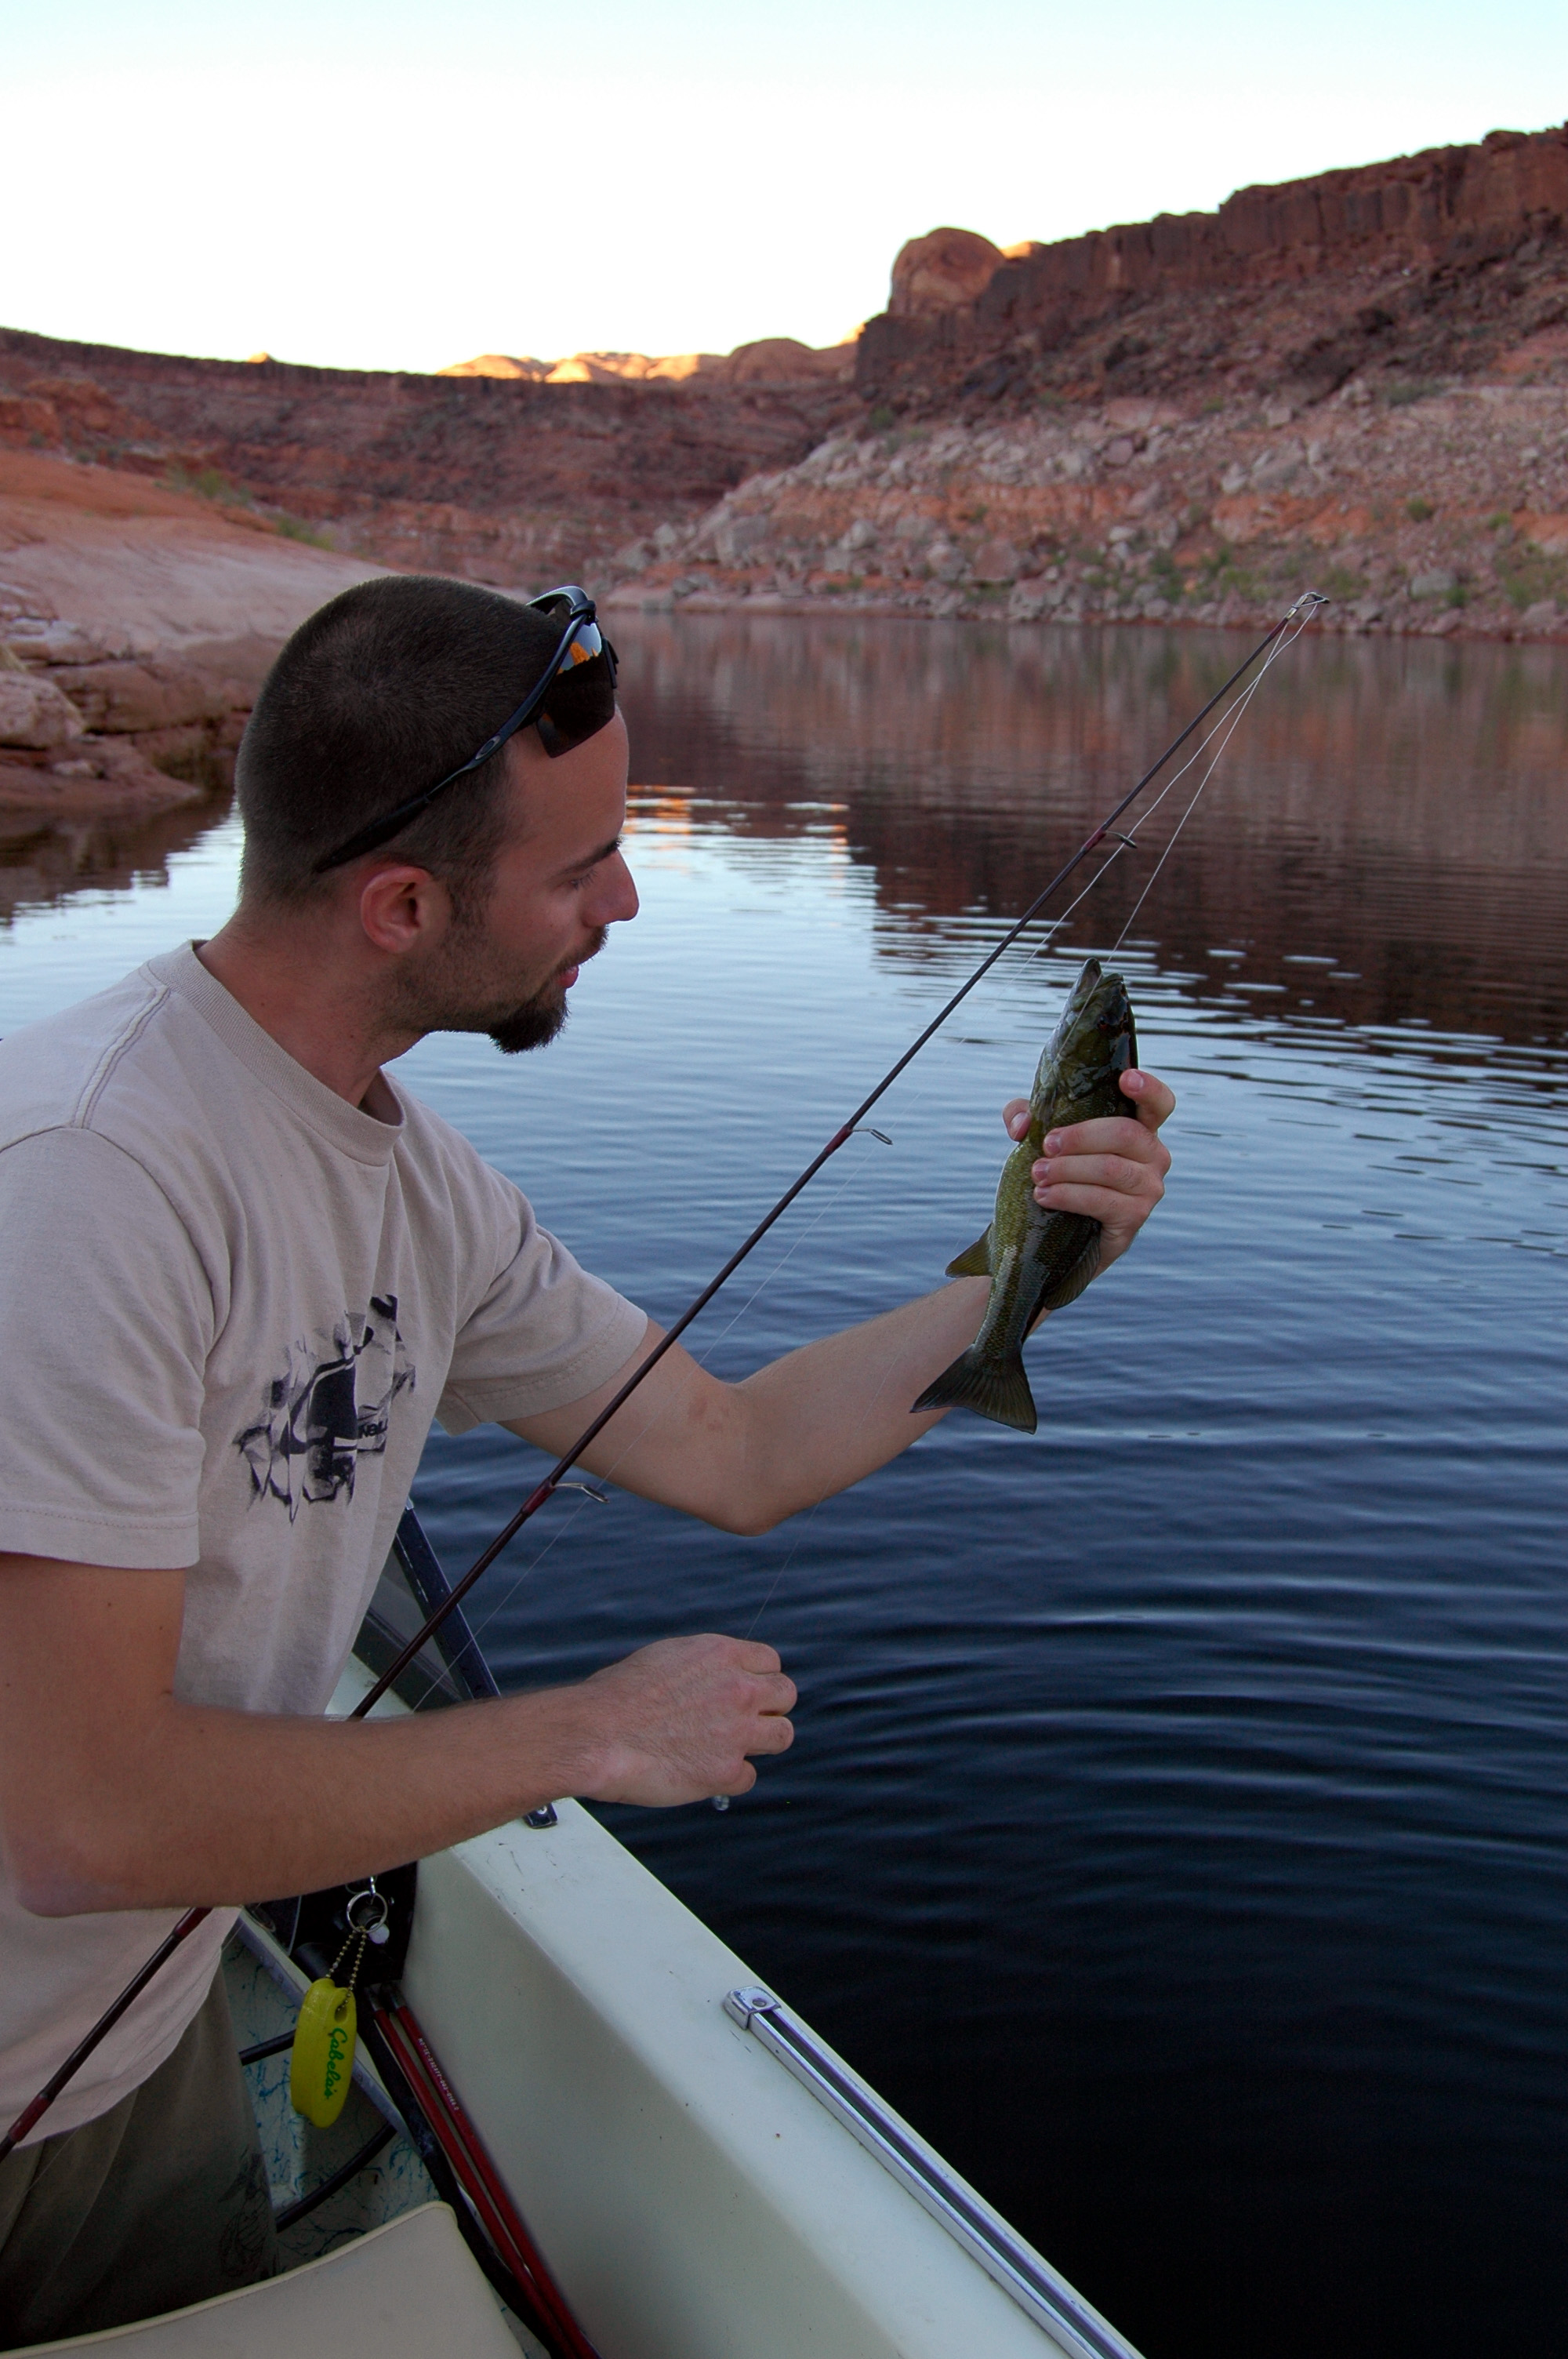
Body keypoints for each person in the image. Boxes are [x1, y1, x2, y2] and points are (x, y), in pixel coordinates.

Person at [0, 576, 1174, 2341]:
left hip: (133, 2042)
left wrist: (1037, 1268)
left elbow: (738, 1445)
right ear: (402, 904)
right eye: (581, 869)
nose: (625, 899)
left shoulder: (412, 1181)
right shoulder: (92, 1178)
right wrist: (586, 1728)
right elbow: (82, 1816)